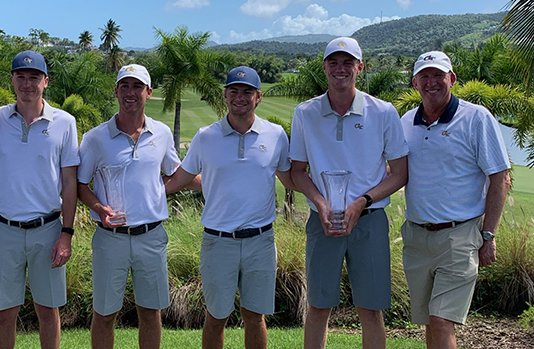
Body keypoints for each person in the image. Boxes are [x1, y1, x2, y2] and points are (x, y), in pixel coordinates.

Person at [289, 37, 409, 349]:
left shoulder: (382, 112)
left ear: (360, 66)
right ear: (325, 67)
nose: (340, 69)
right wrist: (320, 202)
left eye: (348, 62)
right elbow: (298, 171)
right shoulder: (305, 113)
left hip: (369, 220)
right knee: (318, 306)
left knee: (370, 309)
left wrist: (362, 201)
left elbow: (399, 173)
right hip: (322, 221)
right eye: (334, 62)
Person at [165, 66, 296, 349]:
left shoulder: (275, 135)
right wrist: (140, 193)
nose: (240, 97)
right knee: (216, 316)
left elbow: (289, 178)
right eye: (234, 91)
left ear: (258, 97)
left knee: (254, 315)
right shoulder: (205, 136)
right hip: (218, 241)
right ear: (224, 96)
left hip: (261, 241)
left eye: (247, 92)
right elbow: (181, 179)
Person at [400, 51, 510, 349]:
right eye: (424, 76)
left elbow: (500, 177)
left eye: (438, 75)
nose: (431, 82)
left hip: (459, 235)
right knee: (429, 321)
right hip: (417, 236)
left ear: (452, 79)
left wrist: (488, 235)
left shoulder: (476, 118)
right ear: (415, 83)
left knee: (441, 321)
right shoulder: (407, 121)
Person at [77, 64, 180, 349]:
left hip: (151, 237)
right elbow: (80, 185)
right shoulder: (95, 138)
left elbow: (174, 173)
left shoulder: (161, 133)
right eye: (125, 86)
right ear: (116, 91)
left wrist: (216, 178)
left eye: (137, 87)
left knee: (150, 312)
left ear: (148, 92)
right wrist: (99, 209)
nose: (130, 93)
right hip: (111, 239)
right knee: (105, 313)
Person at [0, 50, 79, 349]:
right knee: (4, 313)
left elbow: (69, 182)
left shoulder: (64, 122)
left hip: (48, 229)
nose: (27, 84)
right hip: (5, 230)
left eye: (34, 78)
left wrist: (66, 233)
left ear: (45, 81)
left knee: (48, 311)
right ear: (12, 79)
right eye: (21, 77)